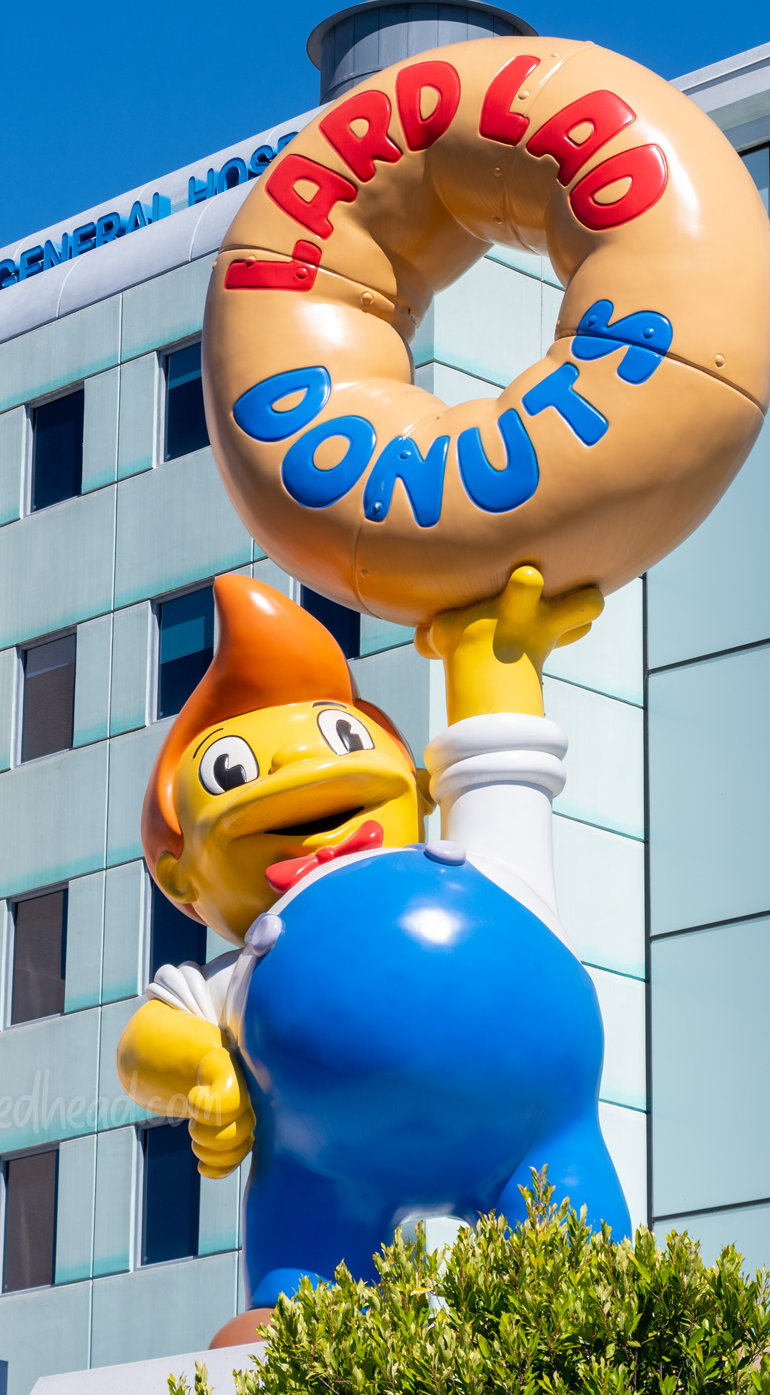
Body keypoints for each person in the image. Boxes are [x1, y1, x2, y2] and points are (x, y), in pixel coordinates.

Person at [117, 568, 629, 1342]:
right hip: (326, 1176)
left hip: (540, 1141)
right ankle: (309, 1315)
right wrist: (203, 1071)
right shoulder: (239, 977)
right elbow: (148, 1039)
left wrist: (491, 655)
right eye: (235, 772)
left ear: (416, 786)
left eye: (341, 737)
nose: (305, 774)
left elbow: (502, 763)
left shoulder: (489, 865)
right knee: (303, 1336)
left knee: (588, 1318)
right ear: (179, 871)